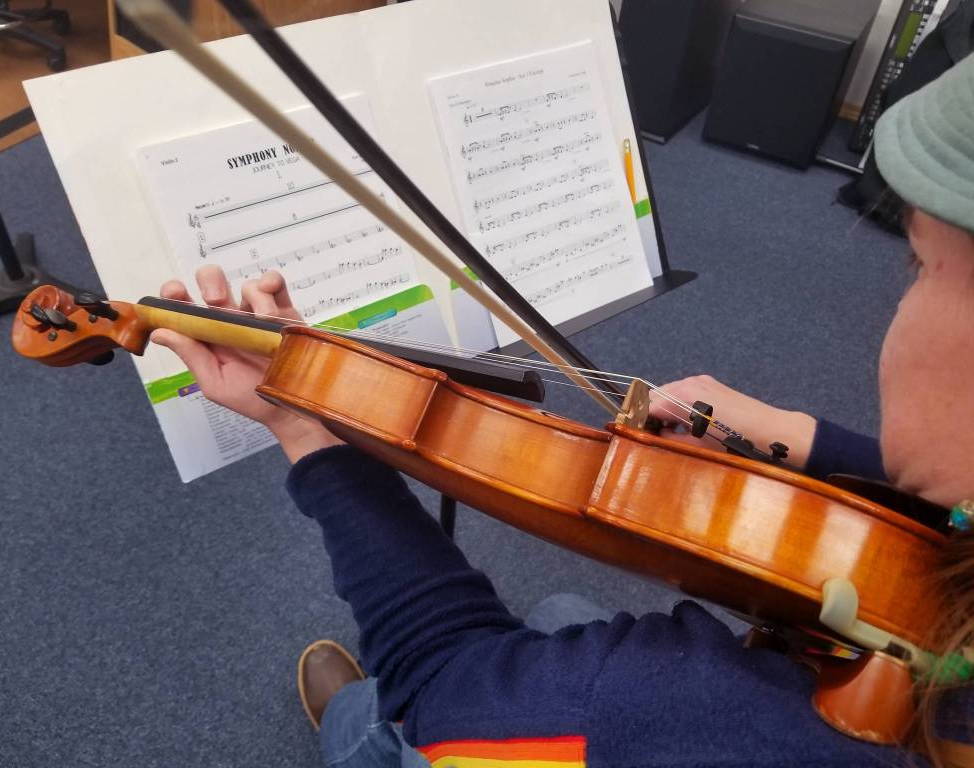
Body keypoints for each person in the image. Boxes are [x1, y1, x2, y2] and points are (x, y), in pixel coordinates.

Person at [149, 55, 974, 767]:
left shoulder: (682, 712)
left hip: (503, 715)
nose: (899, 302)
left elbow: (442, 673)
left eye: (918, 267)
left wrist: (308, 431)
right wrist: (801, 437)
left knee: (408, 718)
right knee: (560, 621)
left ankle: (356, 732)